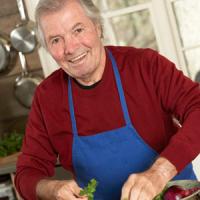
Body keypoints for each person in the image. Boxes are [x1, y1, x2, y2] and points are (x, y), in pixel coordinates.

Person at [15, 0, 200, 199]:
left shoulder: (145, 66)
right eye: (56, 40)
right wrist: (52, 190)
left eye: (78, 30)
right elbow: (26, 173)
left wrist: (160, 173)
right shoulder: (48, 97)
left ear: (98, 27)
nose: (70, 47)